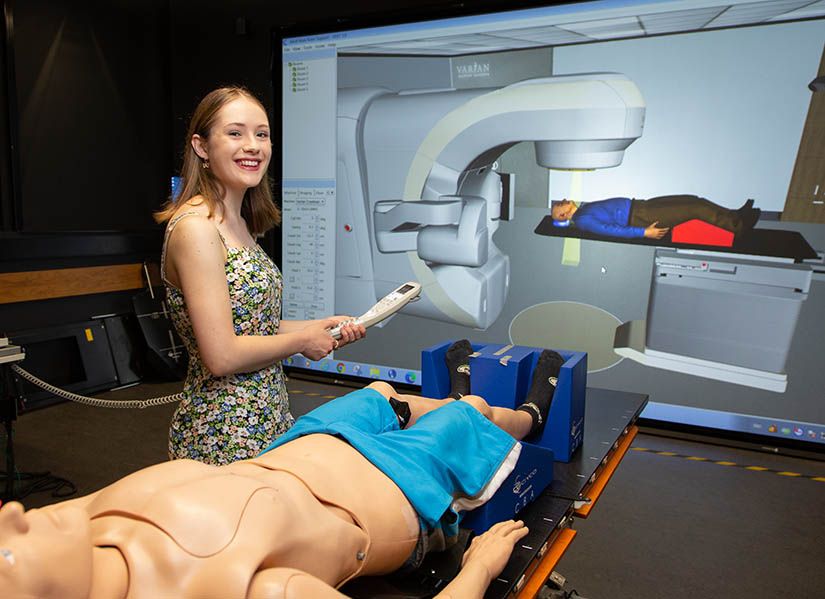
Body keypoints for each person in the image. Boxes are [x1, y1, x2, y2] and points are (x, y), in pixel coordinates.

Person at [0, 343, 566, 599]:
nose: (11, 514)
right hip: (394, 490)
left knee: (379, 393)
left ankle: (454, 406)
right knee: (472, 415)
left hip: (296, 450)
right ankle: (524, 415)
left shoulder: (85, 521)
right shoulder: (226, 587)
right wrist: (480, 569)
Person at [154, 86, 366, 465]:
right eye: (235, 133)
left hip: (266, 418)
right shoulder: (196, 227)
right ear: (202, 147)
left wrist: (318, 327)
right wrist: (302, 340)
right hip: (222, 432)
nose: (252, 145)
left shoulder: (239, 224)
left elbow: (249, 325)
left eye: (261, 134)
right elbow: (220, 355)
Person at [550, 194, 761, 240]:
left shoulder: (584, 211)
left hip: (641, 207)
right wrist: (645, 232)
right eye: (561, 204)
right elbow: (611, 230)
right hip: (640, 217)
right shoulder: (583, 220)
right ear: (563, 214)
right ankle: (738, 225)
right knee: (694, 208)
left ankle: (734, 215)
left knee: (693, 200)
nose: (565, 200)